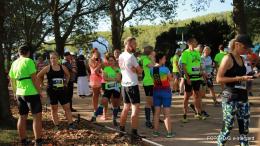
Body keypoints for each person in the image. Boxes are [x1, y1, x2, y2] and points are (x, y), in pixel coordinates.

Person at [216, 34, 258, 145]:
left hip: (243, 97)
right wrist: (240, 78)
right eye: (245, 47)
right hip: (230, 97)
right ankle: (220, 143)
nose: (247, 50)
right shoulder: (227, 58)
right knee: (228, 126)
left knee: (244, 127)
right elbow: (219, 79)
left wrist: (251, 74)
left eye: (248, 48)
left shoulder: (243, 59)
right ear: (237, 45)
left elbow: (241, 76)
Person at [9, 45, 48, 145]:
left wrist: (14, 92)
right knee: (37, 116)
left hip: (19, 93)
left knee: (22, 117)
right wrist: (39, 91)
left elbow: (11, 79)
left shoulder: (14, 63)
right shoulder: (29, 61)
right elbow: (34, 78)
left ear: (18, 53)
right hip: (31, 92)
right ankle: (38, 141)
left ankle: (23, 141)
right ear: (28, 53)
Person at [37, 52, 77, 130]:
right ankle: (57, 125)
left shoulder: (62, 67)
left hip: (62, 90)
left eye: (54, 58)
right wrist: (43, 85)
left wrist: (66, 82)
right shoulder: (48, 68)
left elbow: (68, 74)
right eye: (51, 58)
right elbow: (38, 76)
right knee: (54, 109)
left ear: (58, 59)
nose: (53, 60)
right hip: (52, 91)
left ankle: (71, 124)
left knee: (67, 108)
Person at [118, 37, 145, 140]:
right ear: (128, 45)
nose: (136, 45)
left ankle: (121, 131)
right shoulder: (131, 57)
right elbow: (141, 70)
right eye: (134, 43)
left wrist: (134, 69)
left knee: (125, 108)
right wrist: (136, 69)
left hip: (124, 84)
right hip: (132, 85)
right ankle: (134, 134)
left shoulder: (120, 56)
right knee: (135, 109)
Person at [90, 56, 122, 126]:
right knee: (103, 102)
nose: (111, 62)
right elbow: (105, 78)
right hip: (108, 88)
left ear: (115, 61)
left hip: (116, 88)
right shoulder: (106, 69)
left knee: (115, 104)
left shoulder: (118, 69)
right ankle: (94, 117)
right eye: (109, 61)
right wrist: (114, 79)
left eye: (112, 60)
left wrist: (116, 72)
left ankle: (114, 119)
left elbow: (118, 79)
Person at [150, 52, 175, 138]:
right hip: (166, 93)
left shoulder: (151, 69)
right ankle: (169, 133)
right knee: (166, 114)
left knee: (156, 113)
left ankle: (155, 132)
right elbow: (170, 79)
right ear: (160, 60)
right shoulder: (166, 69)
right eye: (164, 58)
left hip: (156, 92)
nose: (165, 60)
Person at [182, 38, 206, 123]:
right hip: (189, 78)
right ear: (191, 43)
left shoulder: (197, 53)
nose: (197, 43)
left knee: (197, 95)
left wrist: (203, 75)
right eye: (196, 41)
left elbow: (199, 64)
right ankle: (184, 115)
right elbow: (183, 66)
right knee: (187, 96)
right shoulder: (185, 53)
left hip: (197, 78)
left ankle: (197, 113)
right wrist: (187, 78)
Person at [94, 52, 112, 120]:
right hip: (112, 81)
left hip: (104, 82)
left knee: (105, 99)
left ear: (105, 58)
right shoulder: (113, 64)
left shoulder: (103, 64)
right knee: (112, 98)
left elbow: (95, 70)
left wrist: (99, 75)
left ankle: (104, 115)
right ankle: (114, 115)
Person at [142, 46, 156, 129]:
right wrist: (153, 59)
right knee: (149, 102)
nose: (154, 52)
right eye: (153, 51)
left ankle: (155, 118)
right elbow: (155, 66)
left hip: (153, 83)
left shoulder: (150, 59)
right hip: (148, 83)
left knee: (154, 102)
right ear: (151, 52)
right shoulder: (146, 60)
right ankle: (147, 121)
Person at [89, 48, 102, 114]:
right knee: (95, 94)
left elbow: (103, 66)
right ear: (92, 53)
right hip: (94, 77)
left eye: (98, 52)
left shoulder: (99, 60)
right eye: (96, 52)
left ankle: (97, 109)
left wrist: (100, 59)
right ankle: (95, 109)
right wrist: (97, 59)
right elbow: (95, 66)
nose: (97, 53)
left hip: (100, 77)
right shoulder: (91, 60)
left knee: (98, 94)